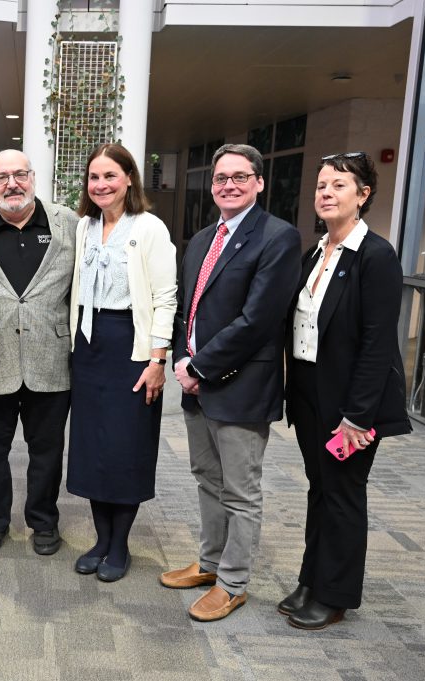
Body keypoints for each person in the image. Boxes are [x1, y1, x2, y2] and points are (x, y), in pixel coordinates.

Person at [161, 143, 301, 621]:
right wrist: (183, 359)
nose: (229, 185)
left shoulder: (278, 238)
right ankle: (210, 562)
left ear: (259, 183)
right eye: (221, 178)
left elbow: (259, 320)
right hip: (196, 381)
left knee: (241, 491)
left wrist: (199, 368)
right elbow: (189, 311)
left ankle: (234, 583)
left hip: (240, 386)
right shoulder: (202, 239)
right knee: (206, 478)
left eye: (240, 177)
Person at [280, 152, 411, 629]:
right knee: (321, 490)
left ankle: (335, 595)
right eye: (320, 186)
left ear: (363, 194)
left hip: (351, 402)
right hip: (311, 392)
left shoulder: (375, 256)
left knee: (343, 495)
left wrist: (358, 416)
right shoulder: (316, 251)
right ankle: (312, 579)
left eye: (338, 185)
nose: (326, 194)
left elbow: (378, 344)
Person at [0, 149, 78, 556]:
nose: (12, 184)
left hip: (51, 357)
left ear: (33, 177)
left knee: (47, 451)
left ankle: (43, 521)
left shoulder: (70, 225)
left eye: (19, 175)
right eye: (1, 177)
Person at [65, 144, 177, 581]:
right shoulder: (84, 227)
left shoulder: (149, 228)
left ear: (129, 178)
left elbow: (166, 297)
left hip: (131, 349)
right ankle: (99, 539)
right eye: (94, 177)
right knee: (93, 447)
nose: (101, 185)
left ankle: (119, 545)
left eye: (110, 176)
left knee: (124, 447)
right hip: (89, 348)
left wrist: (157, 359)